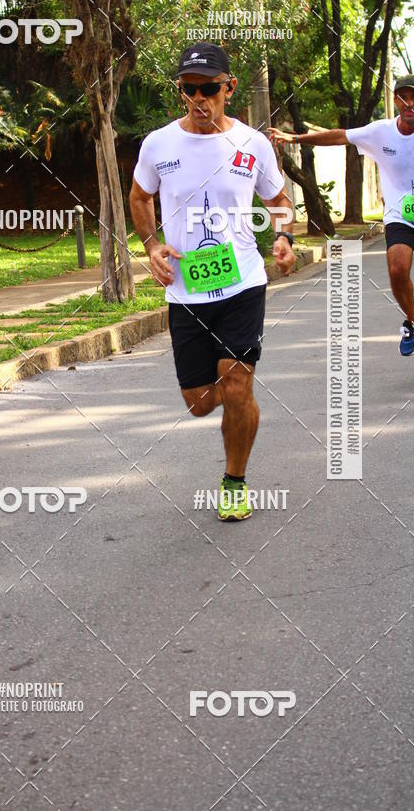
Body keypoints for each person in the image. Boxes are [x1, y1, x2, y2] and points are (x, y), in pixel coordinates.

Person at [130, 42, 295, 521]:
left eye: (208, 88)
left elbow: (278, 200)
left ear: (230, 88)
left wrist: (283, 236)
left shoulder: (252, 144)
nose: (199, 98)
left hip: (243, 283)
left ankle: (234, 481)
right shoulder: (159, 145)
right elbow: (139, 197)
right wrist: (151, 245)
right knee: (200, 402)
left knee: (237, 384)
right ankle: (237, 406)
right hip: (186, 291)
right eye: (189, 89)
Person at [269, 74, 414, 357]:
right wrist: (296, 137)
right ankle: (413, 321)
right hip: (401, 214)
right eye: (403, 98)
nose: (409, 103)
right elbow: (339, 136)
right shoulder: (381, 131)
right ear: (395, 101)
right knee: (397, 267)